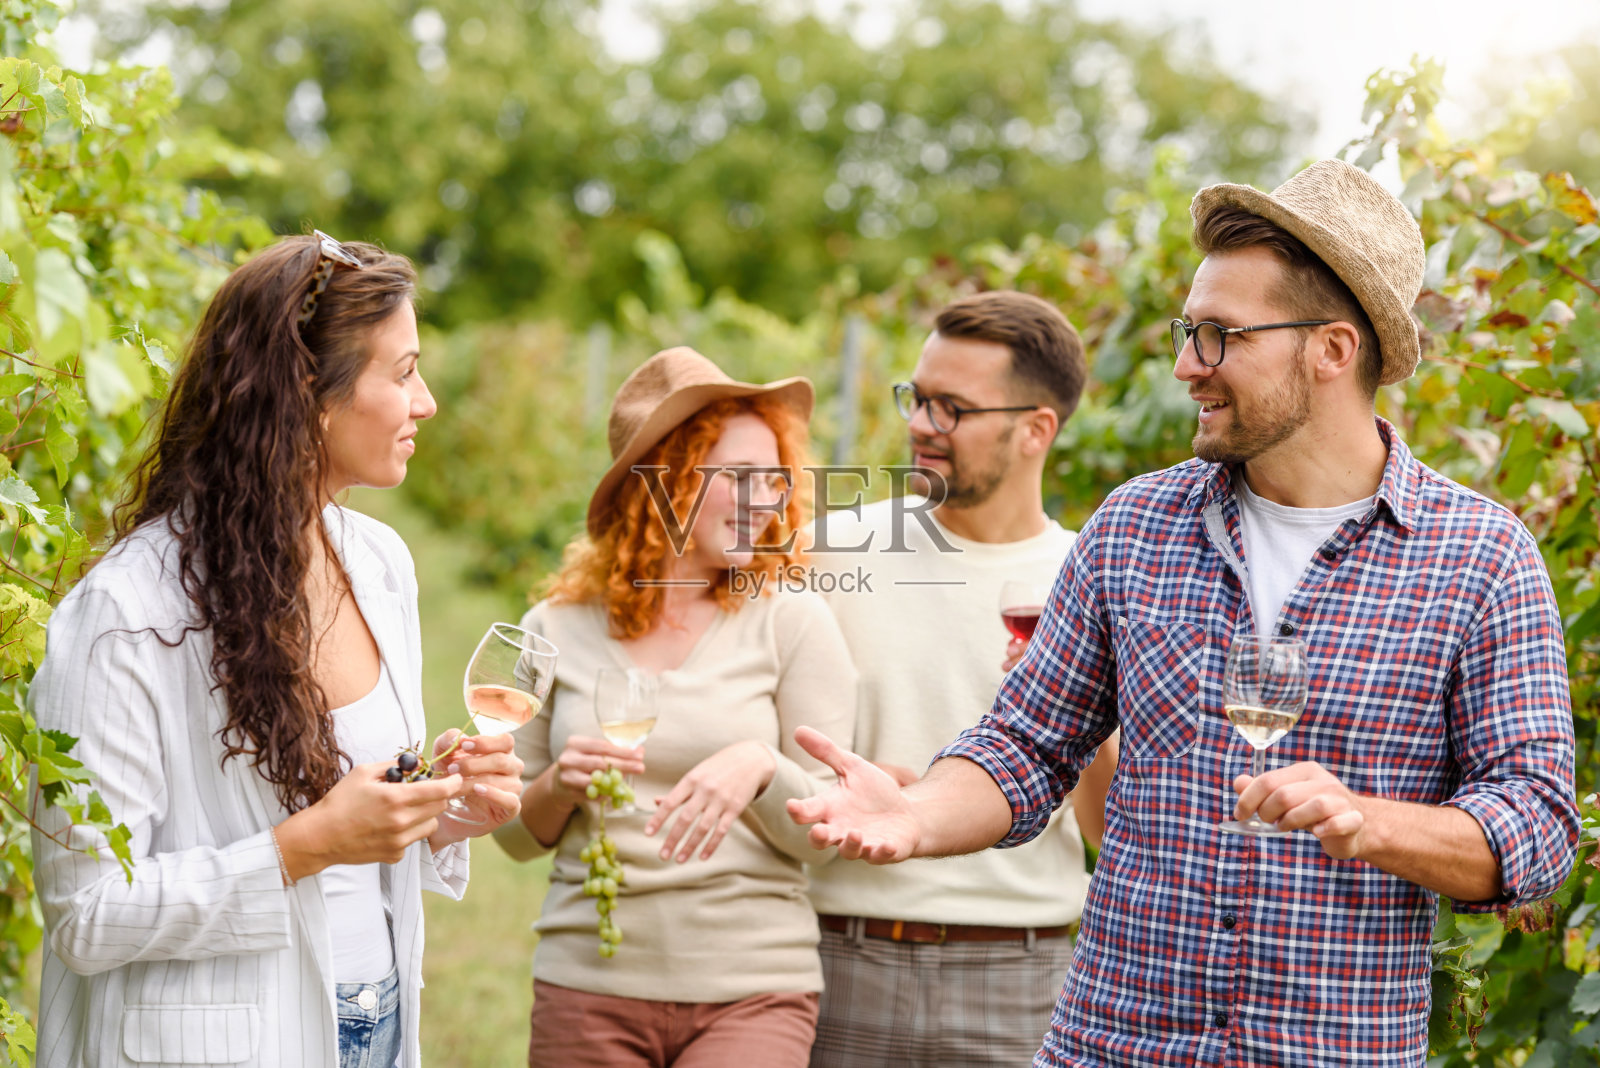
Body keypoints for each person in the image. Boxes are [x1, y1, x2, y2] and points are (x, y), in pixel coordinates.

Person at [789, 159, 1579, 1066]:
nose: (1184, 365)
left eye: (1216, 336)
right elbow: (1026, 746)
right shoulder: (1135, 525)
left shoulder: (1479, 556)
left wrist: (1372, 822)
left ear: (1331, 349)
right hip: (1112, 1045)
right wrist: (917, 812)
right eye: (1185, 331)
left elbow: (1536, 824)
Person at [28, 231, 524, 1068]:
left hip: (375, 1023)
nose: (428, 402)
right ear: (308, 395)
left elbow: (358, 840)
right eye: (404, 373)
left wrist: (440, 813)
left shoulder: (379, 564)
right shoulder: (128, 612)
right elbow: (87, 914)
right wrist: (304, 846)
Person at [492, 347, 856, 1068]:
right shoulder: (551, 628)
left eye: (774, 480)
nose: (765, 501)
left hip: (753, 988)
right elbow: (513, 836)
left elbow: (826, 833)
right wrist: (559, 784)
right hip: (587, 982)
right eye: (739, 477)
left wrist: (760, 767)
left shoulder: (793, 621)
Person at [803, 291, 1117, 1068]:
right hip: (840, 959)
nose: (920, 423)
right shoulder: (827, 553)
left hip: (1024, 976)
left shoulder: (1093, 577)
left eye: (952, 408)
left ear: (1035, 429)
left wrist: (1080, 710)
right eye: (916, 398)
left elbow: (1107, 831)